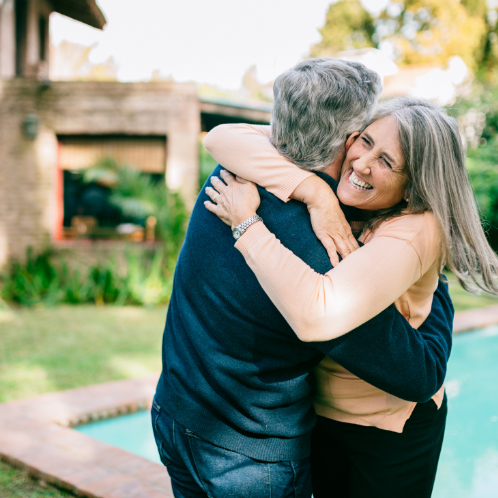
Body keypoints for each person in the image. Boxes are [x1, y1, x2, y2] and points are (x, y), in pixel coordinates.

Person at [152, 60, 454, 498]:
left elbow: (223, 137)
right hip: (248, 457)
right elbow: (417, 374)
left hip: (175, 416)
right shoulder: (325, 250)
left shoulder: (231, 177)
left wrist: (313, 191)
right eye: (364, 137)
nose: (364, 157)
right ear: (348, 138)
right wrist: (439, 289)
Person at [204, 97, 498, 497]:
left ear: (414, 186)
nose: (360, 163)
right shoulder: (346, 185)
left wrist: (247, 225)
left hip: (386, 429)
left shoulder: (415, 229)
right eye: (365, 142)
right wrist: (317, 195)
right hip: (322, 413)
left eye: (387, 162)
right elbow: (224, 137)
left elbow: (317, 316)